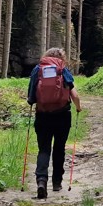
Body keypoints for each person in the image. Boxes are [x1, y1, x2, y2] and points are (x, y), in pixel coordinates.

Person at [27, 47, 82, 198]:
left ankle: (41, 181)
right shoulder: (63, 70)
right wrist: (78, 108)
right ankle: (57, 183)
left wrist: (34, 102)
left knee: (44, 149)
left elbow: (31, 97)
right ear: (62, 58)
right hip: (62, 115)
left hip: (43, 115)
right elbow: (75, 95)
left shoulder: (38, 69)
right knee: (59, 148)